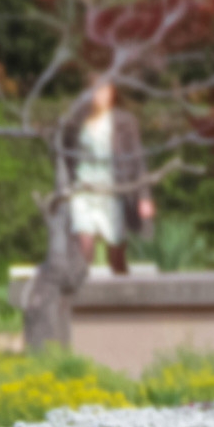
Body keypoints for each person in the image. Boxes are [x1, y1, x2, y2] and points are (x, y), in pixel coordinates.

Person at [68, 78, 153, 278]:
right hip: (84, 190)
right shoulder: (76, 120)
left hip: (113, 190)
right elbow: (65, 156)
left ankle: (123, 290)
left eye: (106, 91)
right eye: (97, 91)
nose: (101, 96)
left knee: (116, 254)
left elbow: (137, 159)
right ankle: (83, 290)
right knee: (84, 243)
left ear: (112, 93)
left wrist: (144, 196)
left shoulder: (125, 121)